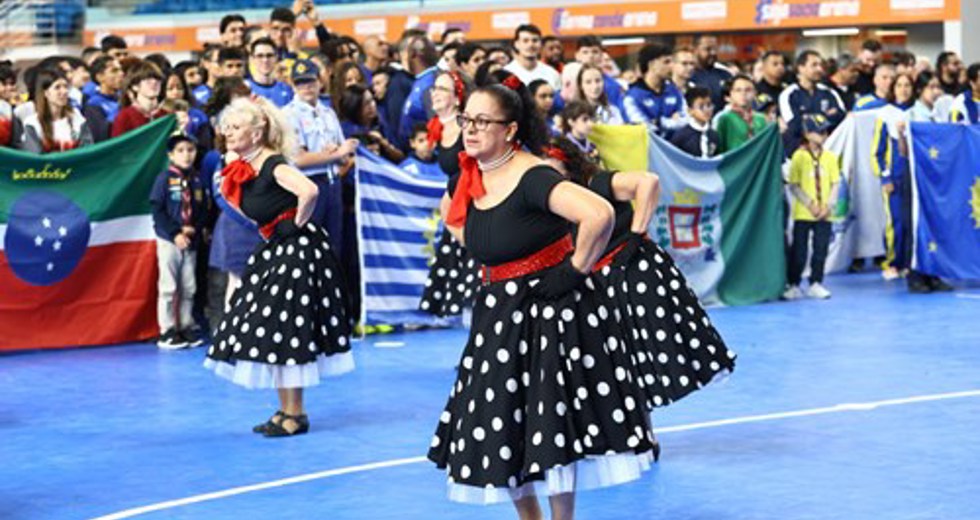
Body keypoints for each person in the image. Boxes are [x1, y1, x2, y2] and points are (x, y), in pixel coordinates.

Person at [427, 79, 657, 519]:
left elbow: (599, 214)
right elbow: (459, 224)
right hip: (498, 313)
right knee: (502, 424)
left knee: (548, 427)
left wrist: (573, 270)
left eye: (481, 121)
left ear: (510, 130)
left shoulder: (533, 176)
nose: (470, 130)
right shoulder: (471, 176)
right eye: (466, 120)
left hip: (547, 314)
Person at [545, 134, 735, 417]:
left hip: (634, 271)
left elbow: (649, 182)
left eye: (551, 170)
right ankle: (642, 429)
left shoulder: (596, 183)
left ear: (568, 167)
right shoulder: (555, 205)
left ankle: (645, 426)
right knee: (621, 360)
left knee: (652, 347)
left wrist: (635, 234)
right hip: (600, 283)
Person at [205, 96, 353, 437]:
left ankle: (295, 413)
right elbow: (249, 211)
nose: (228, 132)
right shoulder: (247, 168)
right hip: (276, 248)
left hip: (296, 252)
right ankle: (285, 409)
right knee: (272, 329)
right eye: (227, 127)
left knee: (288, 330)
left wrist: (295, 224)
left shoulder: (273, 164)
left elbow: (309, 190)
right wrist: (271, 226)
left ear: (256, 134)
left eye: (237, 127)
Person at [419, 70, 479, 318]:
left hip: (475, 200)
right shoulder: (437, 128)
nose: (435, 93)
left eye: (442, 89)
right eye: (435, 88)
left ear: (457, 98)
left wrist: (453, 193)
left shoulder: (466, 124)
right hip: (458, 203)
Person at [283, 59, 359, 254]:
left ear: (320, 82)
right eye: (300, 82)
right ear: (292, 85)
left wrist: (341, 152)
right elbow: (298, 159)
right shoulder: (289, 115)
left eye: (310, 81)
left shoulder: (328, 113)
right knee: (309, 246)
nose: (306, 87)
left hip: (333, 183)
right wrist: (336, 154)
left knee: (333, 246)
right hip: (308, 184)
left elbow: (343, 155)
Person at [150, 132, 209, 349]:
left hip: (191, 240)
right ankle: (167, 330)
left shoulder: (197, 180)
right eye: (181, 151)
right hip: (169, 241)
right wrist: (175, 233)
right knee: (168, 285)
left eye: (190, 150)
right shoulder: (164, 179)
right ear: (171, 155)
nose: (186, 155)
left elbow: (203, 209)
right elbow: (157, 210)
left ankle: (186, 325)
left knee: (189, 286)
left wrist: (196, 228)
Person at [901, 71, 955, 293]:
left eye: (937, 87)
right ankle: (915, 275)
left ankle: (933, 273)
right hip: (915, 178)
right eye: (931, 87)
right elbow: (903, 152)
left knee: (935, 224)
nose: (936, 92)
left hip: (935, 180)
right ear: (920, 90)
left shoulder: (937, 118)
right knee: (915, 225)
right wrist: (901, 134)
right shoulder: (910, 116)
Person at [783, 114, 840, 301]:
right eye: (818, 131)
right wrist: (810, 204)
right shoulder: (799, 157)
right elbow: (794, 185)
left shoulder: (831, 157)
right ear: (807, 134)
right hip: (804, 213)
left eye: (825, 131)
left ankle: (816, 282)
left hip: (825, 213)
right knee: (799, 250)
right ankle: (794, 283)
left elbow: (835, 184)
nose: (823, 135)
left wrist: (828, 206)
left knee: (820, 249)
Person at [778, 50, 845, 155]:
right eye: (814, 65)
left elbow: (841, 117)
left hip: (827, 152)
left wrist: (808, 119)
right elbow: (794, 125)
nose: (819, 69)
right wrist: (823, 118)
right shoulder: (788, 94)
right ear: (801, 68)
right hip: (797, 153)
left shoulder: (829, 92)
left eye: (820, 65)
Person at [18, 69, 93, 153]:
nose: (64, 91)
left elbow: (87, 149)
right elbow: (34, 157)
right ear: (45, 93)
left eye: (65, 86)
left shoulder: (76, 117)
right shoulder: (32, 123)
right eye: (57, 87)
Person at [624, 43, 687, 138]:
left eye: (672, 62)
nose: (672, 66)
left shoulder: (674, 91)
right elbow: (644, 129)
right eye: (666, 62)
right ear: (652, 65)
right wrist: (671, 121)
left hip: (673, 149)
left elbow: (686, 122)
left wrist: (659, 122)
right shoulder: (632, 97)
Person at [716, 74, 769, 153]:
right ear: (731, 94)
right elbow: (720, 150)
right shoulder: (725, 119)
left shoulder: (761, 119)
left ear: (755, 93)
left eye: (748, 90)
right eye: (738, 90)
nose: (743, 94)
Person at [111, 62, 164, 137]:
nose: (154, 82)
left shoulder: (165, 115)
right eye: (147, 79)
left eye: (157, 79)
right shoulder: (124, 117)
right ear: (135, 86)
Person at [503, 24, 561, 91]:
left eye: (535, 40)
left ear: (540, 44)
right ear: (516, 44)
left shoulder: (552, 74)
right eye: (525, 41)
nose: (530, 45)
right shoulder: (506, 73)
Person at [82, 56, 123, 142]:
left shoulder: (124, 97)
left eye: (121, 70)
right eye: (114, 71)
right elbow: (100, 135)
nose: (121, 74)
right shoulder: (93, 104)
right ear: (100, 77)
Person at [670, 87, 719, 158]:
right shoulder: (681, 136)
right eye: (701, 107)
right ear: (690, 111)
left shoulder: (713, 135)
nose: (706, 110)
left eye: (709, 105)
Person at [247, 37, 295, 108]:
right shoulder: (245, 89)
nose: (265, 60)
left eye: (269, 55)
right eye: (260, 56)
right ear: (252, 59)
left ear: (276, 57)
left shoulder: (287, 90)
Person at [690, 35, 732, 108]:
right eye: (708, 49)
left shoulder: (725, 74)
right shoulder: (688, 75)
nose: (713, 53)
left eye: (715, 49)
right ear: (695, 50)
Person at [560, 100, 600, 164]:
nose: (590, 124)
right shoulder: (563, 146)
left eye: (592, 119)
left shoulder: (592, 145)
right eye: (585, 120)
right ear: (571, 122)